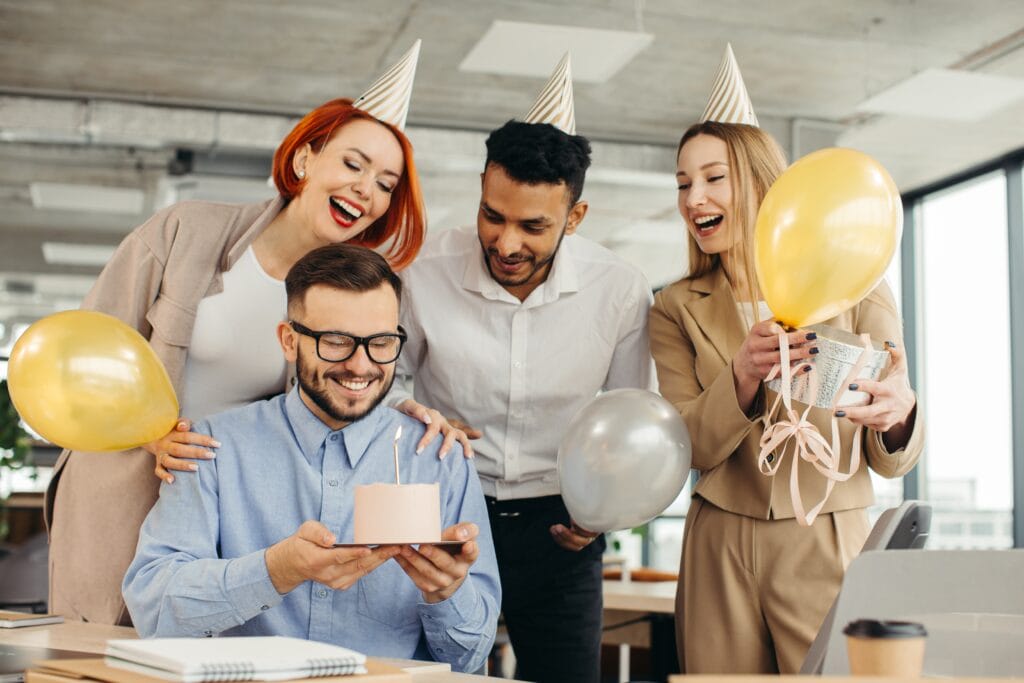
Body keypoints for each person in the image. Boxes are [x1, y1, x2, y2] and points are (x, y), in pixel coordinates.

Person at [45, 42, 468, 626]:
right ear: (304, 161)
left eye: (386, 183)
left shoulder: (343, 297)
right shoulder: (183, 234)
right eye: (353, 164)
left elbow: (340, 380)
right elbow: (84, 355)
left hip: (228, 511)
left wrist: (412, 409)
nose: (367, 189)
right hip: (128, 485)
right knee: (112, 647)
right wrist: (152, 437)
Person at [648, 46, 924, 674]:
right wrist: (742, 377)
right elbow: (685, 445)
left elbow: (892, 451)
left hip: (829, 532)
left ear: (761, 181)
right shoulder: (673, 307)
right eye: (684, 183)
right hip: (718, 537)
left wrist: (901, 413)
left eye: (714, 178)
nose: (695, 198)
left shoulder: (858, 282)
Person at [391, 55, 655, 683]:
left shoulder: (619, 288)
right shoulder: (422, 269)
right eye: (492, 215)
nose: (507, 244)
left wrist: (602, 515)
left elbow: (631, 415)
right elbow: (386, 380)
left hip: (560, 526)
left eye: (533, 226)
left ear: (575, 217)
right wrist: (418, 412)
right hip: (443, 509)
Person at [122, 244, 501, 673]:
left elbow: (469, 657)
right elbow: (153, 611)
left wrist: (448, 592)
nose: (361, 366)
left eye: (380, 342)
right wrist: (276, 570)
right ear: (289, 341)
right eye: (336, 341)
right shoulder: (211, 448)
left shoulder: (441, 459)